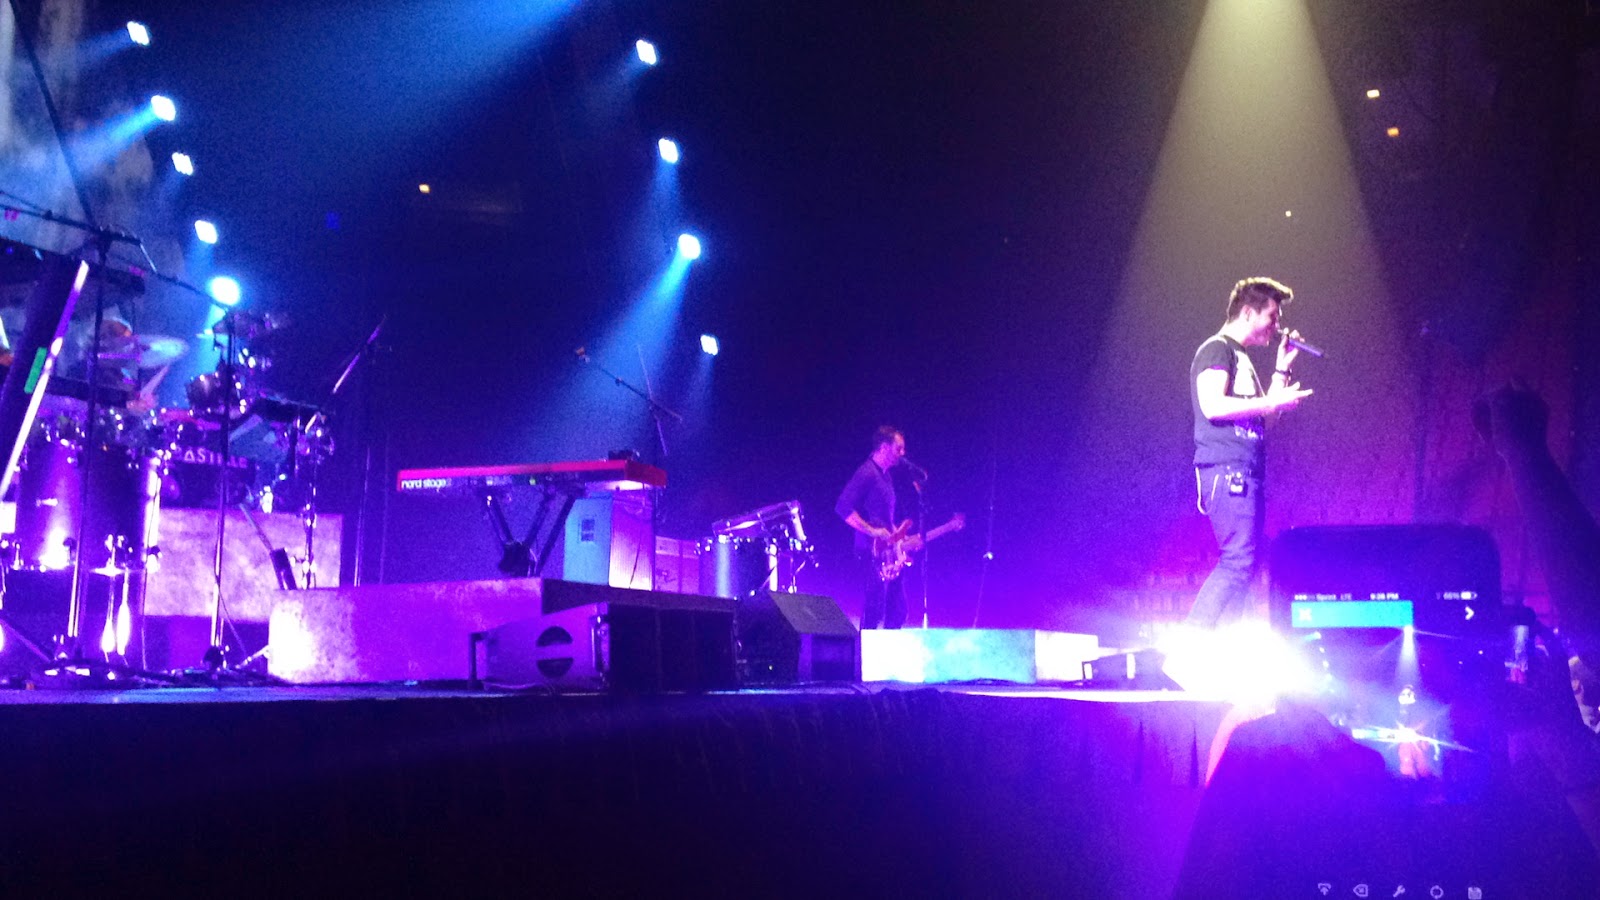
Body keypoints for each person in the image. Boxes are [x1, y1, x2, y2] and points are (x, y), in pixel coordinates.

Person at [1186, 276, 1313, 628]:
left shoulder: (1241, 357)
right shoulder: (1217, 349)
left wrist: (1281, 368)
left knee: (1247, 564)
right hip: (1227, 471)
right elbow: (1212, 405)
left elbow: (1264, 418)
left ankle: (1222, 648)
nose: (1277, 325)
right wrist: (1271, 401)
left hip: (1244, 472)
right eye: (1272, 316)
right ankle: (1191, 644)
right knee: (1237, 561)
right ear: (1247, 312)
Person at [836, 425, 909, 630]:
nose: (902, 453)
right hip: (869, 550)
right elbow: (842, 507)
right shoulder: (866, 473)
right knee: (874, 608)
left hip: (887, 552)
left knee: (897, 610)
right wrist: (872, 531)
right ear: (884, 447)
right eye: (898, 448)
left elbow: (883, 517)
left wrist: (897, 535)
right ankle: (865, 647)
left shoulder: (886, 476)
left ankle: (888, 646)